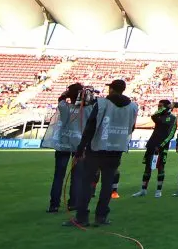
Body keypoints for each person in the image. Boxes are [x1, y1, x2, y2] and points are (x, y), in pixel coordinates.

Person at [63, 80, 138, 228]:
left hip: (97, 148)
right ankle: (101, 216)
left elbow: (91, 126)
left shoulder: (103, 103)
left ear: (111, 90)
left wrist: (80, 148)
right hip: (116, 149)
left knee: (87, 183)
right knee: (107, 184)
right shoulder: (133, 107)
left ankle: (82, 217)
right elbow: (132, 127)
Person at [47, 83, 86, 213]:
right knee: (76, 175)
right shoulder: (86, 108)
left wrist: (66, 94)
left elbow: (61, 99)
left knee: (59, 175)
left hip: (63, 143)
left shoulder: (64, 106)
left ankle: (54, 205)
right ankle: (73, 203)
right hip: (78, 145)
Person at [132, 99, 177, 198]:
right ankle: (143, 190)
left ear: (166, 106)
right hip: (152, 144)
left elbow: (171, 134)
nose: (159, 107)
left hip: (162, 146)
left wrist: (162, 144)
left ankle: (158, 190)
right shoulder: (158, 116)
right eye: (158, 106)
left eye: (161, 106)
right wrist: (163, 109)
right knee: (147, 167)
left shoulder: (173, 118)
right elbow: (153, 116)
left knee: (160, 167)